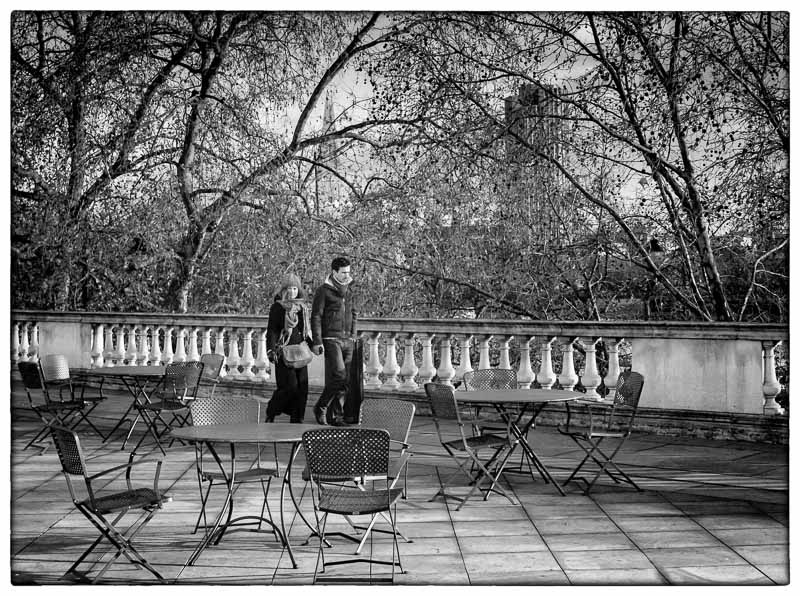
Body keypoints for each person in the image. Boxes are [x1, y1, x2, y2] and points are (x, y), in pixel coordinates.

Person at [310, 256, 358, 425]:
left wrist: (353, 334)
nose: (347, 275)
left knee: (345, 381)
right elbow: (316, 316)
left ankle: (336, 417)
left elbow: (354, 312)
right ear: (334, 272)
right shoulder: (324, 290)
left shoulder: (350, 290)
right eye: (344, 272)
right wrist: (317, 341)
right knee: (339, 375)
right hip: (331, 339)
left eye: (348, 272)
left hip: (347, 340)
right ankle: (321, 407)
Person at [266, 273, 312, 423]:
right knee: (289, 388)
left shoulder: (302, 308)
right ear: (283, 290)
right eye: (289, 288)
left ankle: (297, 419)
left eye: (294, 288)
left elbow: (304, 332)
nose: (292, 291)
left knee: (302, 389)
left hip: (300, 352)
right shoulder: (277, 308)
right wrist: (271, 350)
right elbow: (272, 330)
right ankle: (272, 410)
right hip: (283, 352)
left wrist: (314, 345)